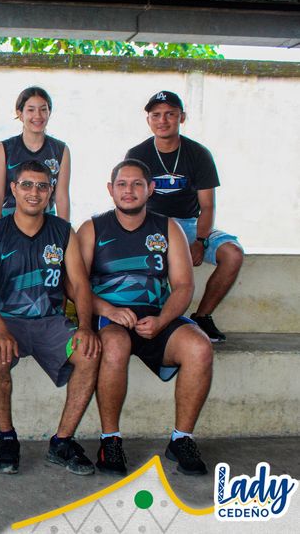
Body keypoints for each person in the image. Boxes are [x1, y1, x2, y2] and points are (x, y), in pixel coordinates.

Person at [77, 158, 213, 476]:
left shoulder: (168, 228)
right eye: (122, 184)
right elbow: (75, 285)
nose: (129, 190)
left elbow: (183, 285)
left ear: (150, 189)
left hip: (156, 316)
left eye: (137, 184)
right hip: (110, 317)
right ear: (111, 190)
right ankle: (110, 440)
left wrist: (163, 320)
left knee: (200, 347)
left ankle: (181, 440)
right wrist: (107, 310)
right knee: (114, 347)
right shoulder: (92, 228)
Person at [0, 160, 100, 476]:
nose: (34, 192)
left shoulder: (63, 231)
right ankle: (7, 438)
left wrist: (86, 327)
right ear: (13, 189)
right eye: (27, 185)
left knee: (88, 352)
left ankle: (62, 442)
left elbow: (79, 284)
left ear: (51, 191)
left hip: (50, 321)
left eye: (42, 186)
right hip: (6, 320)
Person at [126, 91, 243, 342]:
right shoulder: (137, 154)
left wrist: (200, 240)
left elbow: (207, 206)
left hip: (190, 224)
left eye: (170, 114)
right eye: (156, 115)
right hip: (152, 225)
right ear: (148, 120)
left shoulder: (198, 154)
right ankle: (153, 319)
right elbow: (130, 200)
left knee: (233, 253)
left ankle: (202, 316)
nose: (163, 120)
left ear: (182, 117)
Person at [0, 86, 71, 223]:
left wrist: (64, 231)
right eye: (31, 110)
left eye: (43, 109)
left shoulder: (61, 150)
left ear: (49, 112)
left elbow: (62, 197)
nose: (38, 116)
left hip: (46, 219)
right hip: (10, 218)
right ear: (20, 114)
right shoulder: (4, 149)